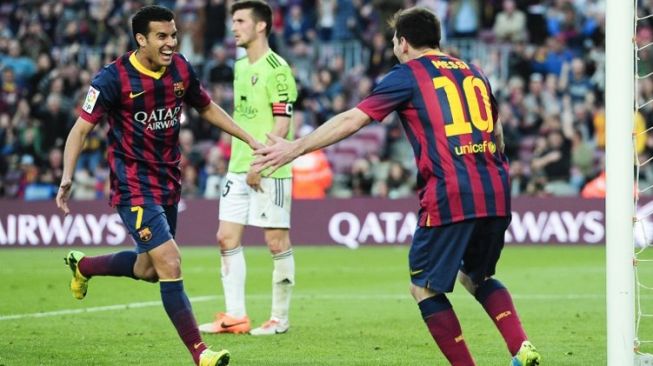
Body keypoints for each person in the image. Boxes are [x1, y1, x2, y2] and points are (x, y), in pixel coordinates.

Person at [253, 7, 541, 366]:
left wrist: (294, 148)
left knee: (422, 286)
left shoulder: (407, 74)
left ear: (403, 43)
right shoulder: (473, 71)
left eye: (394, 40)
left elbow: (352, 119)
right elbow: (496, 134)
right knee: (477, 276)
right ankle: (520, 346)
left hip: (450, 191)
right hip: (496, 187)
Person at [55, 6, 262, 366]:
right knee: (170, 262)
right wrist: (67, 176)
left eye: (173, 35)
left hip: (168, 180)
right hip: (132, 182)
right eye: (162, 37)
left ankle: (84, 266)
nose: (171, 43)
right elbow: (81, 129)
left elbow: (207, 107)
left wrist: (248, 138)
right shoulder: (112, 79)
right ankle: (201, 353)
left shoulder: (181, 68)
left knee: (149, 270)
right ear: (141, 39)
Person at [198, 0, 298, 336]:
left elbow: (282, 123)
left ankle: (279, 320)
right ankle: (235, 316)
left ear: (260, 26)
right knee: (225, 238)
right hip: (238, 166)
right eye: (233, 21)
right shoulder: (241, 66)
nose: (234, 27)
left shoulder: (277, 68)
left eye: (240, 21)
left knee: (275, 242)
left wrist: (261, 163)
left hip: (270, 168)